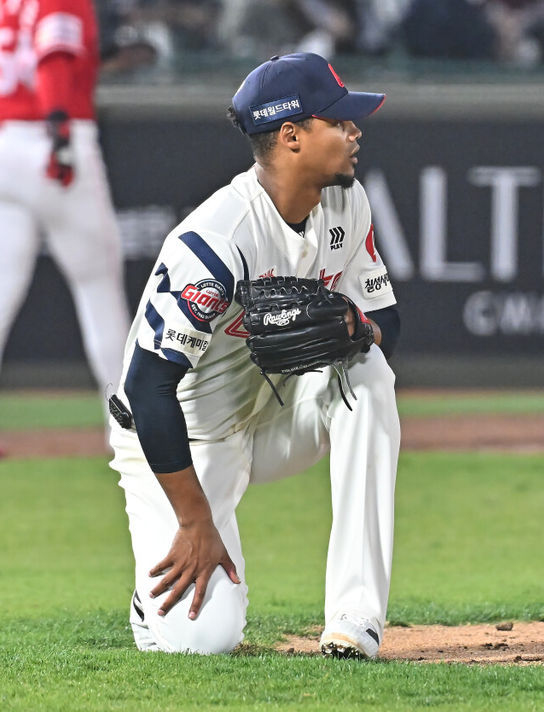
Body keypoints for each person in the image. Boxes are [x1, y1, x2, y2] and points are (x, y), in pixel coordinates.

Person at [108, 52, 402, 658]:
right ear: (292, 136)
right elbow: (148, 386)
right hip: (188, 439)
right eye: (339, 121)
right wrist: (194, 521)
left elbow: (387, 324)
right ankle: (149, 604)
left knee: (368, 371)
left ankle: (355, 615)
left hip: (276, 412)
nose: (356, 131)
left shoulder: (346, 202)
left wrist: (357, 329)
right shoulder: (217, 240)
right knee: (205, 640)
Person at [0, 0, 131, 457]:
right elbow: (54, 58)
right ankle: (130, 426)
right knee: (99, 291)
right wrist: (61, 134)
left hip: (0, 145)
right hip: (54, 141)